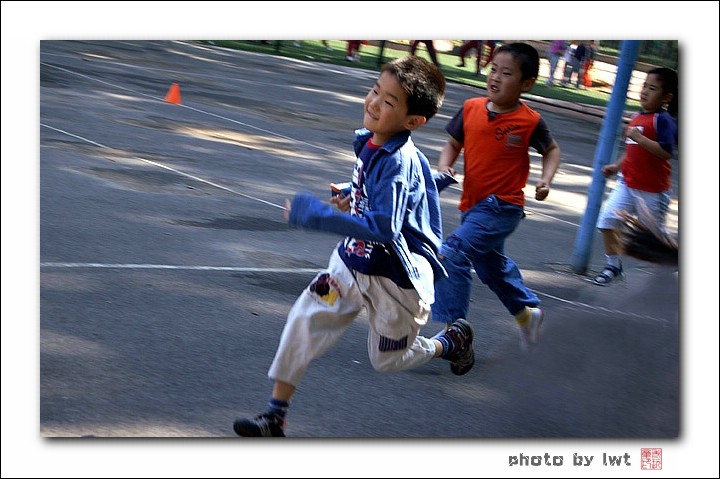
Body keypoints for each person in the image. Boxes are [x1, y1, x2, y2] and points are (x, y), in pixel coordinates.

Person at [232, 56, 474, 438]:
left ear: (413, 122)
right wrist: (350, 195)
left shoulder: (397, 161)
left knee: (387, 361)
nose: (374, 102)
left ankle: (451, 342)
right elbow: (383, 194)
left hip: (396, 280)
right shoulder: (371, 142)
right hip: (350, 264)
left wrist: (317, 215)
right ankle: (274, 417)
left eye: (389, 101)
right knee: (304, 319)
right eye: (376, 90)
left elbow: (383, 227)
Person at [430, 42, 562, 351]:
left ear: (526, 83)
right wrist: (445, 166)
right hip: (473, 205)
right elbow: (452, 143)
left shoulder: (529, 121)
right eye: (493, 70)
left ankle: (454, 332)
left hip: (503, 207)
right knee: (490, 268)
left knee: (451, 253)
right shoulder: (471, 108)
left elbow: (552, 150)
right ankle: (527, 312)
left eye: (506, 73)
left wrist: (545, 180)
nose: (495, 77)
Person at [593, 67, 678, 286]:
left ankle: (673, 264)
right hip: (627, 184)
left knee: (654, 237)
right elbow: (631, 150)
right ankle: (613, 265)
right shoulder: (636, 117)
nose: (645, 92)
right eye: (644, 87)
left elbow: (666, 152)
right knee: (606, 220)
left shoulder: (663, 120)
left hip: (652, 190)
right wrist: (616, 166)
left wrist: (640, 138)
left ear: (666, 97)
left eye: (652, 88)